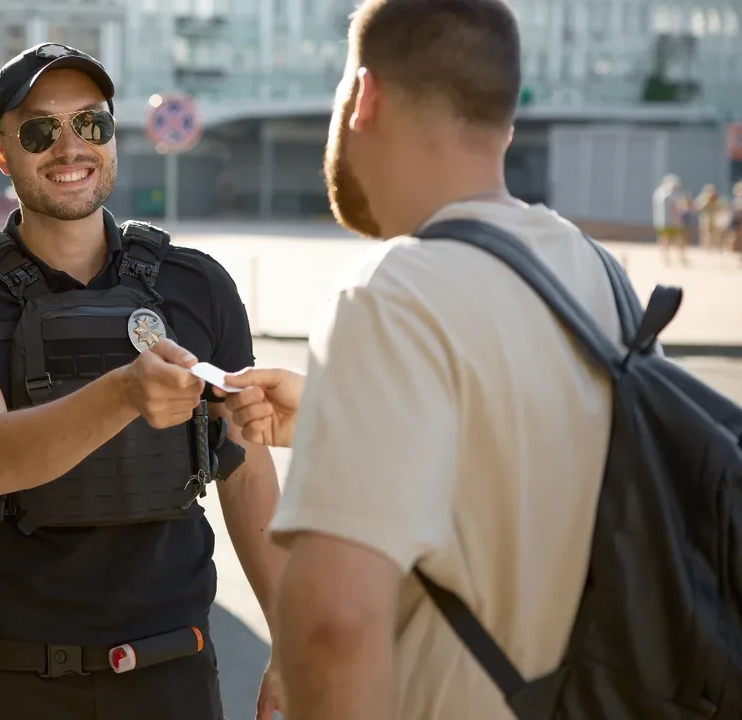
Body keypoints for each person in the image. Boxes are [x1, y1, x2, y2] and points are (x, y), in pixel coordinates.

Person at [218, 0, 642, 718]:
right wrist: (336, 412)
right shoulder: (599, 276)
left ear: (366, 97)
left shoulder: (386, 297)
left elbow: (333, 627)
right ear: (502, 120)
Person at [0, 43, 286, 720]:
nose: (70, 148)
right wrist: (123, 393)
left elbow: (245, 469)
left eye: (92, 124)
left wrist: (293, 640)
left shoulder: (196, 286)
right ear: (1, 152)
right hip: (9, 681)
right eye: (40, 131)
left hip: (171, 674)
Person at [653, 173, 690, 264]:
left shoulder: (658, 193)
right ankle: (679, 258)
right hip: (671, 221)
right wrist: (678, 220)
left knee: (665, 240)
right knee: (677, 239)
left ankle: (666, 257)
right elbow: (674, 208)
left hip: (661, 221)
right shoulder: (670, 194)